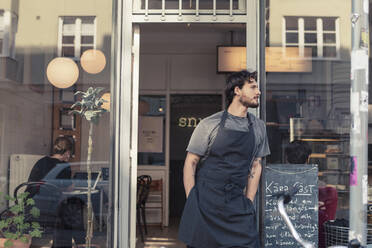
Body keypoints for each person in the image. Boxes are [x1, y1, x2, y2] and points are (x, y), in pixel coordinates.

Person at [178, 70, 270, 248]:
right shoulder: (209, 124)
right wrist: (192, 200)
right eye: (252, 87)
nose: (258, 92)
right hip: (206, 205)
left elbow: (256, 165)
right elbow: (191, 162)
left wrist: (249, 201)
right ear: (237, 90)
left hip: (237, 205)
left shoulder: (258, 127)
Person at [27, 136, 85, 248]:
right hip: (49, 210)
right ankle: (79, 242)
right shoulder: (64, 166)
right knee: (75, 207)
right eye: (69, 153)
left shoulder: (41, 161)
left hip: (31, 206)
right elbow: (69, 188)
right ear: (67, 153)